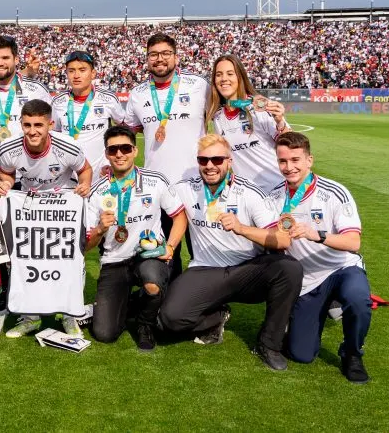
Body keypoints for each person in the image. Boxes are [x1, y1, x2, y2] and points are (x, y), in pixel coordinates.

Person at [159, 134, 302, 371]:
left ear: (229, 161)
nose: (210, 166)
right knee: (169, 320)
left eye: (217, 159)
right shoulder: (186, 188)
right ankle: (216, 318)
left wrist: (242, 228)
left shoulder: (250, 193)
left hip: (247, 271)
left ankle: (269, 344)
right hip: (205, 269)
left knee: (290, 268)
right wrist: (113, 177)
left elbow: (282, 240)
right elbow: (153, 193)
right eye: (203, 160)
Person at [266, 131, 372, 383]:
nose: (289, 167)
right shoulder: (272, 196)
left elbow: (353, 242)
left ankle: (352, 353)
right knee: (301, 354)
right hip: (306, 280)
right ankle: (317, 312)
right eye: (283, 161)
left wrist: (318, 235)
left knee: (358, 299)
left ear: (309, 160)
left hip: (340, 269)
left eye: (295, 160)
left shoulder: (335, 192)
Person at [0, 99, 92, 338]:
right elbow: (6, 173)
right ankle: (30, 317)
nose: (32, 131)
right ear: (21, 123)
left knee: (69, 259)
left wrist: (85, 184)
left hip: (64, 210)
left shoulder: (68, 146)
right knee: (28, 258)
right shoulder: (9, 148)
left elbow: (85, 170)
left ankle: (70, 316)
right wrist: (5, 184)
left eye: (38, 125)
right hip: (30, 210)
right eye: (27, 125)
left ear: (50, 124)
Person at [86, 126, 184, 352]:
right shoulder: (98, 191)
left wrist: (170, 246)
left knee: (152, 283)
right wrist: (100, 229)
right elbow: (85, 245)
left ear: (135, 150)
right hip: (114, 261)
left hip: (147, 255)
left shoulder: (155, 180)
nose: (119, 154)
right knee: (104, 334)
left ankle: (145, 324)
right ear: (107, 153)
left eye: (125, 148)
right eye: (113, 150)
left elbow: (179, 216)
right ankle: (130, 304)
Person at [123, 33, 209, 277]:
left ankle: (208, 307)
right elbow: (128, 131)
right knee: (167, 253)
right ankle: (170, 306)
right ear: (147, 59)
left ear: (176, 57)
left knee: (201, 252)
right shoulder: (138, 94)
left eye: (165, 53)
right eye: (153, 54)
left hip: (197, 184)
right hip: (159, 186)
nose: (159, 59)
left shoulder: (199, 85)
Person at [206, 54, 291, 193]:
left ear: (240, 77)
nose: (224, 79)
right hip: (249, 196)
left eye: (230, 74)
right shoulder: (218, 117)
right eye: (219, 75)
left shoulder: (259, 106)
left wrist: (280, 122)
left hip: (279, 190)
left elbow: (292, 145)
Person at [0, 35, 50, 170]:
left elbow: (53, 129)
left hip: (31, 175)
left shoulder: (36, 90)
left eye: (5, 58)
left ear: (16, 60)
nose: (0, 63)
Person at [51, 51, 125, 185]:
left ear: (93, 74)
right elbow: (54, 136)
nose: (76, 75)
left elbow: (124, 130)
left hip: (101, 175)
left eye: (82, 70)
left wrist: (112, 161)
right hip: (67, 178)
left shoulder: (108, 99)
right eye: (71, 71)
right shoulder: (58, 102)